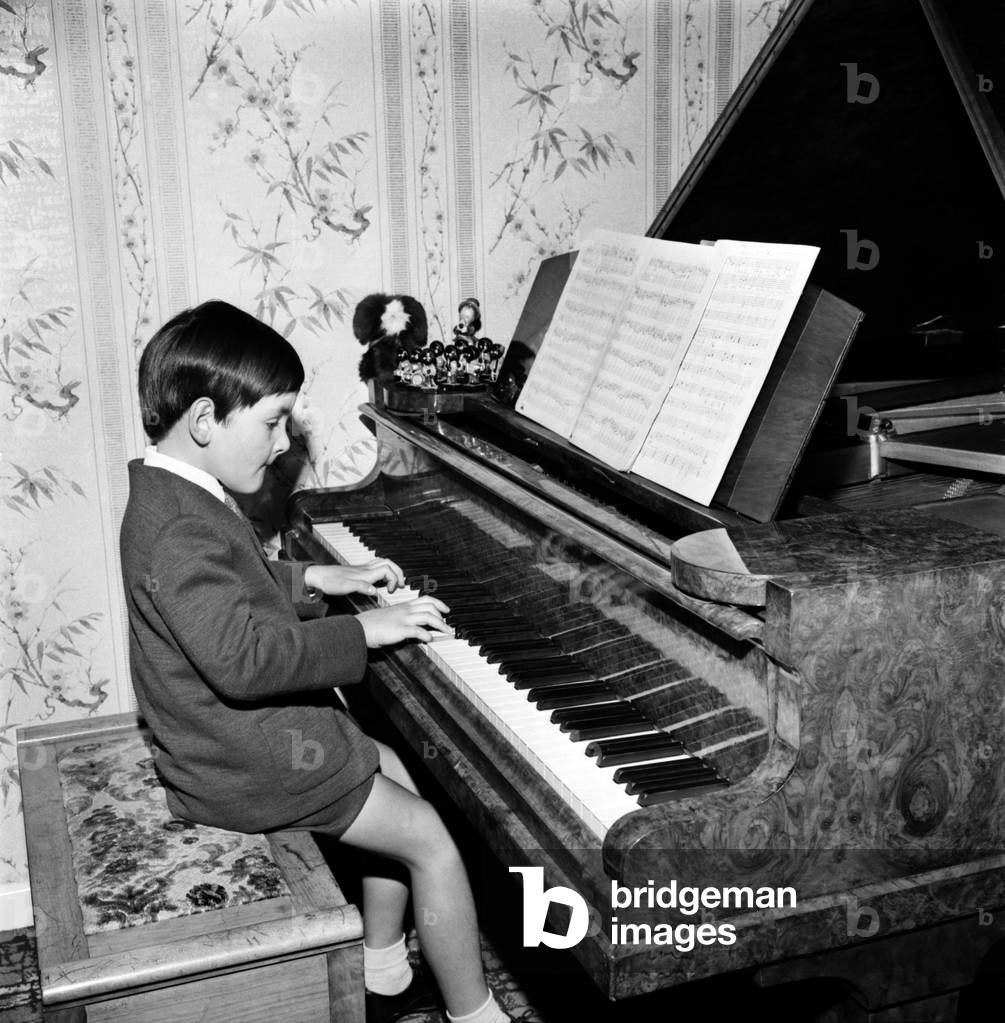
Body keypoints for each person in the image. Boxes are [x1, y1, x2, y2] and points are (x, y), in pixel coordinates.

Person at [119, 300, 508, 1023]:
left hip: (227, 742)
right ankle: (476, 1012)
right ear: (206, 420)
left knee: (390, 764)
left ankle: (383, 969)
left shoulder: (172, 494)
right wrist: (368, 633)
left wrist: (323, 580)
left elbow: (235, 588)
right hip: (242, 760)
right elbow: (244, 658)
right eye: (271, 422)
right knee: (431, 840)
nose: (279, 445)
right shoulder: (178, 527)